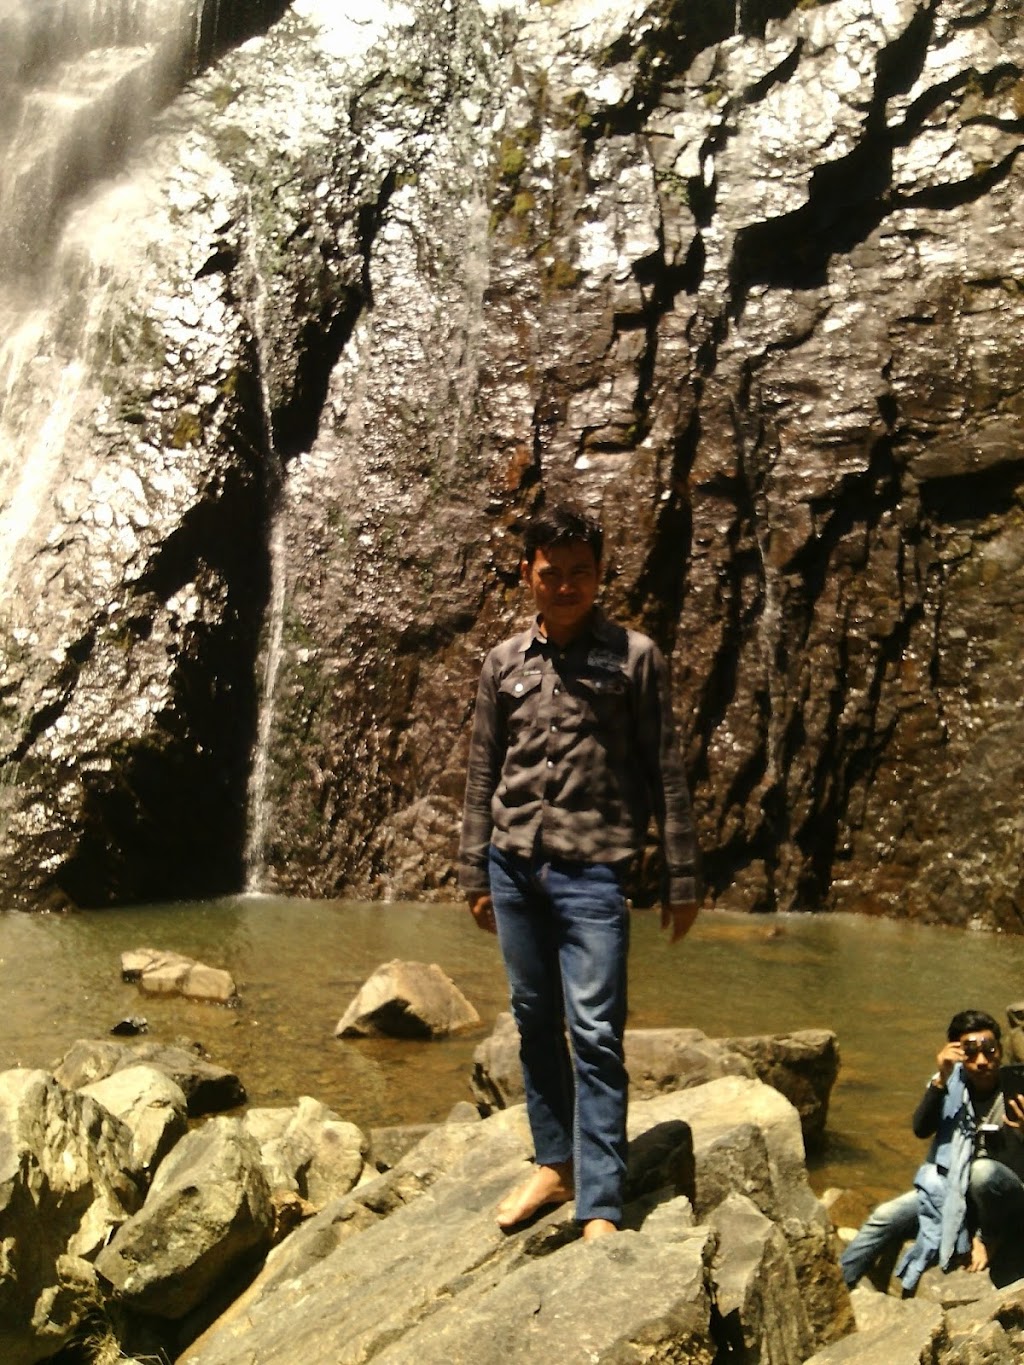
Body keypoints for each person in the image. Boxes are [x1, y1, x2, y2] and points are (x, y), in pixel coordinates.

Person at [459, 503, 699, 1241]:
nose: (566, 585)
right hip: (513, 867)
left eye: (580, 572)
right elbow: (482, 770)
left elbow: (666, 769)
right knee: (534, 1020)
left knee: (594, 1033)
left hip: (594, 873)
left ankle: (600, 1199)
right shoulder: (502, 662)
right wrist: (473, 870)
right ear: (527, 574)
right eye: (551, 572)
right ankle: (555, 1162)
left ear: (599, 576)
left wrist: (682, 876)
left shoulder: (635, 657)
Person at [840, 1009, 1024, 1292]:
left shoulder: (1017, 1091)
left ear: (1000, 1049)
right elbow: (921, 1129)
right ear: (957, 1053)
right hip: (953, 1189)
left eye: (989, 1049)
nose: (982, 1061)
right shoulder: (950, 1085)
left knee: (982, 1172)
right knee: (884, 1216)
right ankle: (840, 1282)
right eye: (970, 1052)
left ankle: (989, 1236)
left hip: (1007, 1196)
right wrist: (940, 1080)